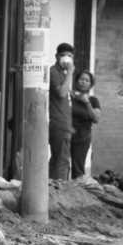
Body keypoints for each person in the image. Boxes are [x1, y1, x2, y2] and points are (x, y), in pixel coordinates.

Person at [49, 42, 75, 180]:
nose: (66, 58)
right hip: (58, 123)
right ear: (56, 56)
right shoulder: (54, 72)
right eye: (63, 55)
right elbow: (61, 93)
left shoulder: (63, 74)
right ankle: (60, 189)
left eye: (70, 56)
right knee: (62, 160)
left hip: (64, 123)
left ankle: (52, 187)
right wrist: (70, 72)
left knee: (57, 158)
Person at [70, 70, 100, 179]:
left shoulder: (93, 100)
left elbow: (96, 119)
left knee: (77, 167)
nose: (83, 82)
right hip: (67, 134)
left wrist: (86, 102)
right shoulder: (70, 96)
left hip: (82, 137)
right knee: (61, 163)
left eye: (87, 80)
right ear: (77, 81)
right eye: (81, 79)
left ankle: (77, 191)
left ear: (90, 84)